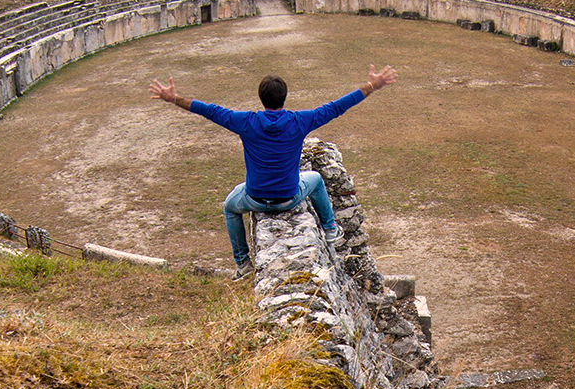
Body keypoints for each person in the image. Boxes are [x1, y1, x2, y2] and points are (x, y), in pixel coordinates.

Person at [150, 65, 399, 274]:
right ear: (284, 97)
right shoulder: (299, 121)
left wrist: (173, 98)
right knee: (315, 179)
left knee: (229, 206)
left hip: (254, 198)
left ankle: (242, 263)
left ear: (261, 98)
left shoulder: (246, 122)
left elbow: (208, 110)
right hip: (288, 199)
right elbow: (337, 107)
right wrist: (372, 86)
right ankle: (331, 229)